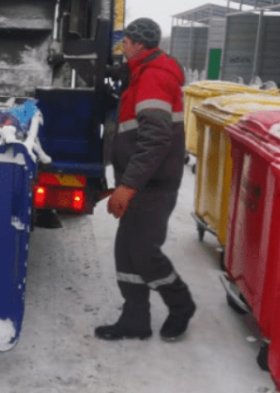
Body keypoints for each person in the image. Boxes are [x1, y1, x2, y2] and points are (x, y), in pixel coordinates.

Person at [95, 17, 197, 342]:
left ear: (139, 45)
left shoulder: (153, 78)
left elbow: (155, 139)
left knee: (143, 251)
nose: (122, 47)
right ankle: (135, 320)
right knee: (126, 252)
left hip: (151, 185)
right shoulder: (143, 73)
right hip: (144, 182)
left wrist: (128, 186)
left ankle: (181, 304)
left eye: (125, 42)